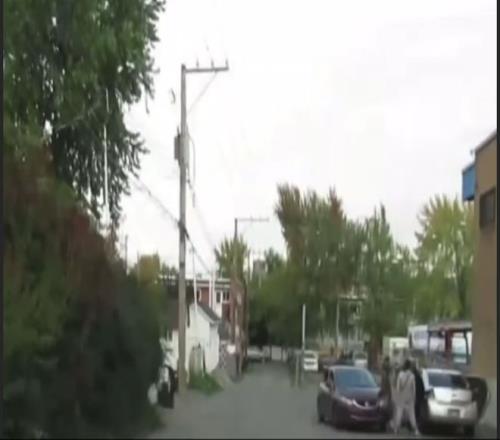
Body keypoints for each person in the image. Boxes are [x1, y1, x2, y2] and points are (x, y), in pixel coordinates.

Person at [393, 359, 420, 436]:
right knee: (412, 414)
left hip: (401, 396)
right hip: (410, 397)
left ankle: (396, 429)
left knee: (399, 412)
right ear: (410, 366)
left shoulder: (400, 375)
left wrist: (398, 395)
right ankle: (415, 429)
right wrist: (414, 397)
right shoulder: (412, 375)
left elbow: (398, 387)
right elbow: (414, 388)